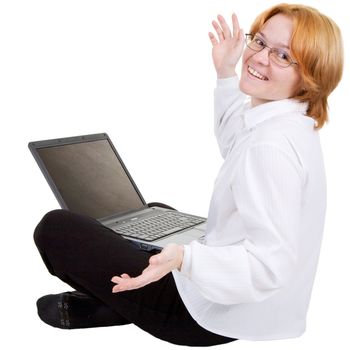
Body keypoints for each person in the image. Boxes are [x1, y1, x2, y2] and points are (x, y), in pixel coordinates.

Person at [33, 3, 343, 346]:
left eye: (283, 56)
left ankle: (117, 306)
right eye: (260, 42)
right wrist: (226, 71)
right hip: (258, 310)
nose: (259, 58)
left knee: (56, 228)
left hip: (208, 316)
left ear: (310, 76)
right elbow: (237, 143)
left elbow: (269, 267)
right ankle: (124, 301)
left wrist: (184, 257)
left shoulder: (269, 147)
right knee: (155, 210)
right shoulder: (288, 123)